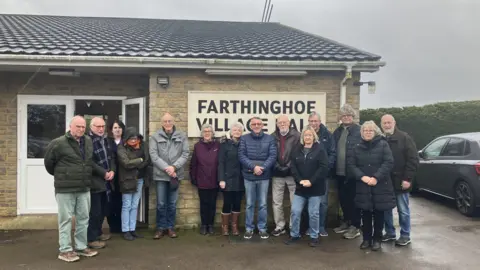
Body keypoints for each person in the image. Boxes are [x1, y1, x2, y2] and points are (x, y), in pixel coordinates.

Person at [44, 116, 100, 262]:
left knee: (83, 218)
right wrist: (64, 175)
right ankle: (65, 250)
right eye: (78, 126)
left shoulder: (88, 141)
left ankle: (81, 247)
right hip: (65, 188)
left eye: (83, 127)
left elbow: (88, 162)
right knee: (65, 219)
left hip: (83, 187)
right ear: (70, 126)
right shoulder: (58, 143)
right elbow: (49, 164)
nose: (81, 129)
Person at [347, 120, 395, 251]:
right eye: (365, 130)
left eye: (370, 130)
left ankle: (377, 239)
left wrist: (376, 177)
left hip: (380, 185)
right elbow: (351, 165)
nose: (367, 133)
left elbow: (388, 162)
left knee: (379, 213)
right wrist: (362, 176)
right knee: (366, 213)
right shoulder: (356, 147)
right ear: (362, 133)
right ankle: (366, 239)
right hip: (363, 185)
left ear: (375, 132)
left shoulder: (383, 145)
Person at [285, 126, 329, 247]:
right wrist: (300, 181)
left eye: (310, 135)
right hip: (300, 188)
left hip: (315, 188)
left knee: (313, 213)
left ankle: (314, 236)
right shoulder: (297, 149)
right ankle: (294, 234)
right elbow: (293, 167)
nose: (307, 137)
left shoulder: (320, 149)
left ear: (313, 136)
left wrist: (311, 181)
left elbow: (323, 168)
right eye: (305, 135)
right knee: (295, 211)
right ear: (302, 137)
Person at [380, 114, 419, 246]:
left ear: (394, 123)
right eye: (384, 123)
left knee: (403, 209)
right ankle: (390, 232)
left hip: (401, 181)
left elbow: (413, 160)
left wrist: (407, 178)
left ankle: (405, 234)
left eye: (389, 122)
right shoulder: (380, 139)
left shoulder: (405, 138)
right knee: (386, 209)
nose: (387, 125)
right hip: (385, 181)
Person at [150, 113, 189, 239]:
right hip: (161, 175)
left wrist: (174, 167)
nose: (167, 123)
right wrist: (167, 168)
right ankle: (160, 228)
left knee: (172, 203)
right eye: (165, 121)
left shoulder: (181, 136)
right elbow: (154, 156)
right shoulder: (155, 137)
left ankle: (170, 227)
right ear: (162, 123)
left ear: (173, 122)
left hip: (175, 175)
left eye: (169, 121)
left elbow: (185, 153)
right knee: (161, 203)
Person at [238, 117, 277, 240]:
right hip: (249, 176)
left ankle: (262, 228)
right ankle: (249, 228)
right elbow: (241, 155)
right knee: (249, 204)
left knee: (263, 204)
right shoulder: (244, 138)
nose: (256, 125)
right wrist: (254, 167)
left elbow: (272, 155)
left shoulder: (270, 138)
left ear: (262, 125)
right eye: (253, 124)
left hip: (264, 176)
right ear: (250, 125)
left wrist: (262, 168)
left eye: (258, 123)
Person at [332, 104, 362, 240]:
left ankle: (355, 226)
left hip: (353, 173)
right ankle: (347, 222)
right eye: (344, 116)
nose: (346, 118)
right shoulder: (337, 132)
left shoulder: (359, 131)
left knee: (354, 200)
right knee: (343, 199)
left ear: (353, 116)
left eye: (349, 115)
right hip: (339, 172)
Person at [305, 111, 336, 237]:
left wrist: (325, 169)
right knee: (308, 202)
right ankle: (309, 227)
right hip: (308, 176)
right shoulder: (305, 134)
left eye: (315, 121)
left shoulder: (327, 135)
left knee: (322, 202)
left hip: (323, 176)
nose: (313, 123)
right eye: (311, 121)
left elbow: (333, 153)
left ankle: (321, 226)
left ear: (320, 121)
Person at [87, 117, 117, 249]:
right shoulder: (87, 140)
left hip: (106, 181)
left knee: (104, 209)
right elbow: (89, 161)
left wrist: (112, 171)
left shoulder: (105, 140)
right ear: (91, 127)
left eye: (102, 126)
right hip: (95, 181)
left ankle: (98, 233)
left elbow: (111, 157)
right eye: (97, 126)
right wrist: (103, 173)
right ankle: (91, 239)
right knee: (95, 211)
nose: (100, 129)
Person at [117, 127, 150, 241]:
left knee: (135, 205)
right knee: (127, 205)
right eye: (131, 139)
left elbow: (147, 160)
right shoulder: (121, 148)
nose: (133, 141)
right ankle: (125, 230)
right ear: (126, 139)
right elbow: (126, 163)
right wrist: (139, 160)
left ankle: (132, 229)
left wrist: (139, 162)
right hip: (127, 180)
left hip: (139, 179)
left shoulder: (142, 146)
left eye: (135, 139)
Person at [270, 115, 300, 237]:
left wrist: (288, 166)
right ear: (277, 124)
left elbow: (298, 153)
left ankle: (293, 226)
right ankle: (280, 226)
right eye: (280, 122)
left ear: (289, 123)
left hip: (292, 173)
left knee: (295, 202)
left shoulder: (297, 135)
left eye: (284, 122)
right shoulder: (272, 136)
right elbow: (271, 153)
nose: (282, 124)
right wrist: (278, 166)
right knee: (277, 202)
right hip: (277, 173)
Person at [190, 124, 220, 235]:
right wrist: (193, 177)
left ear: (213, 133)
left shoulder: (218, 145)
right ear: (202, 133)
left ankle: (210, 225)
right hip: (202, 180)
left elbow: (220, 163)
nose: (207, 133)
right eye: (205, 131)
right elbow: (194, 163)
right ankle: (204, 225)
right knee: (203, 204)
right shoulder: (197, 146)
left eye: (209, 131)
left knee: (212, 204)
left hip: (214, 179)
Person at [218, 122, 245, 236]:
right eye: (235, 130)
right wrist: (221, 179)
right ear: (231, 132)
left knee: (237, 203)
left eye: (239, 130)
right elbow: (221, 162)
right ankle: (225, 227)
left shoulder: (244, 144)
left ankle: (234, 226)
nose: (237, 132)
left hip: (241, 179)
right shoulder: (225, 145)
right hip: (227, 179)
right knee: (227, 203)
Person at [106, 120, 126, 234]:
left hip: (124, 176)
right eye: (115, 127)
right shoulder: (108, 142)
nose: (117, 129)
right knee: (111, 202)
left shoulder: (126, 142)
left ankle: (120, 226)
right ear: (111, 130)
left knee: (122, 202)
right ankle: (112, 226)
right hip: (111, 175)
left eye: (119, 127)